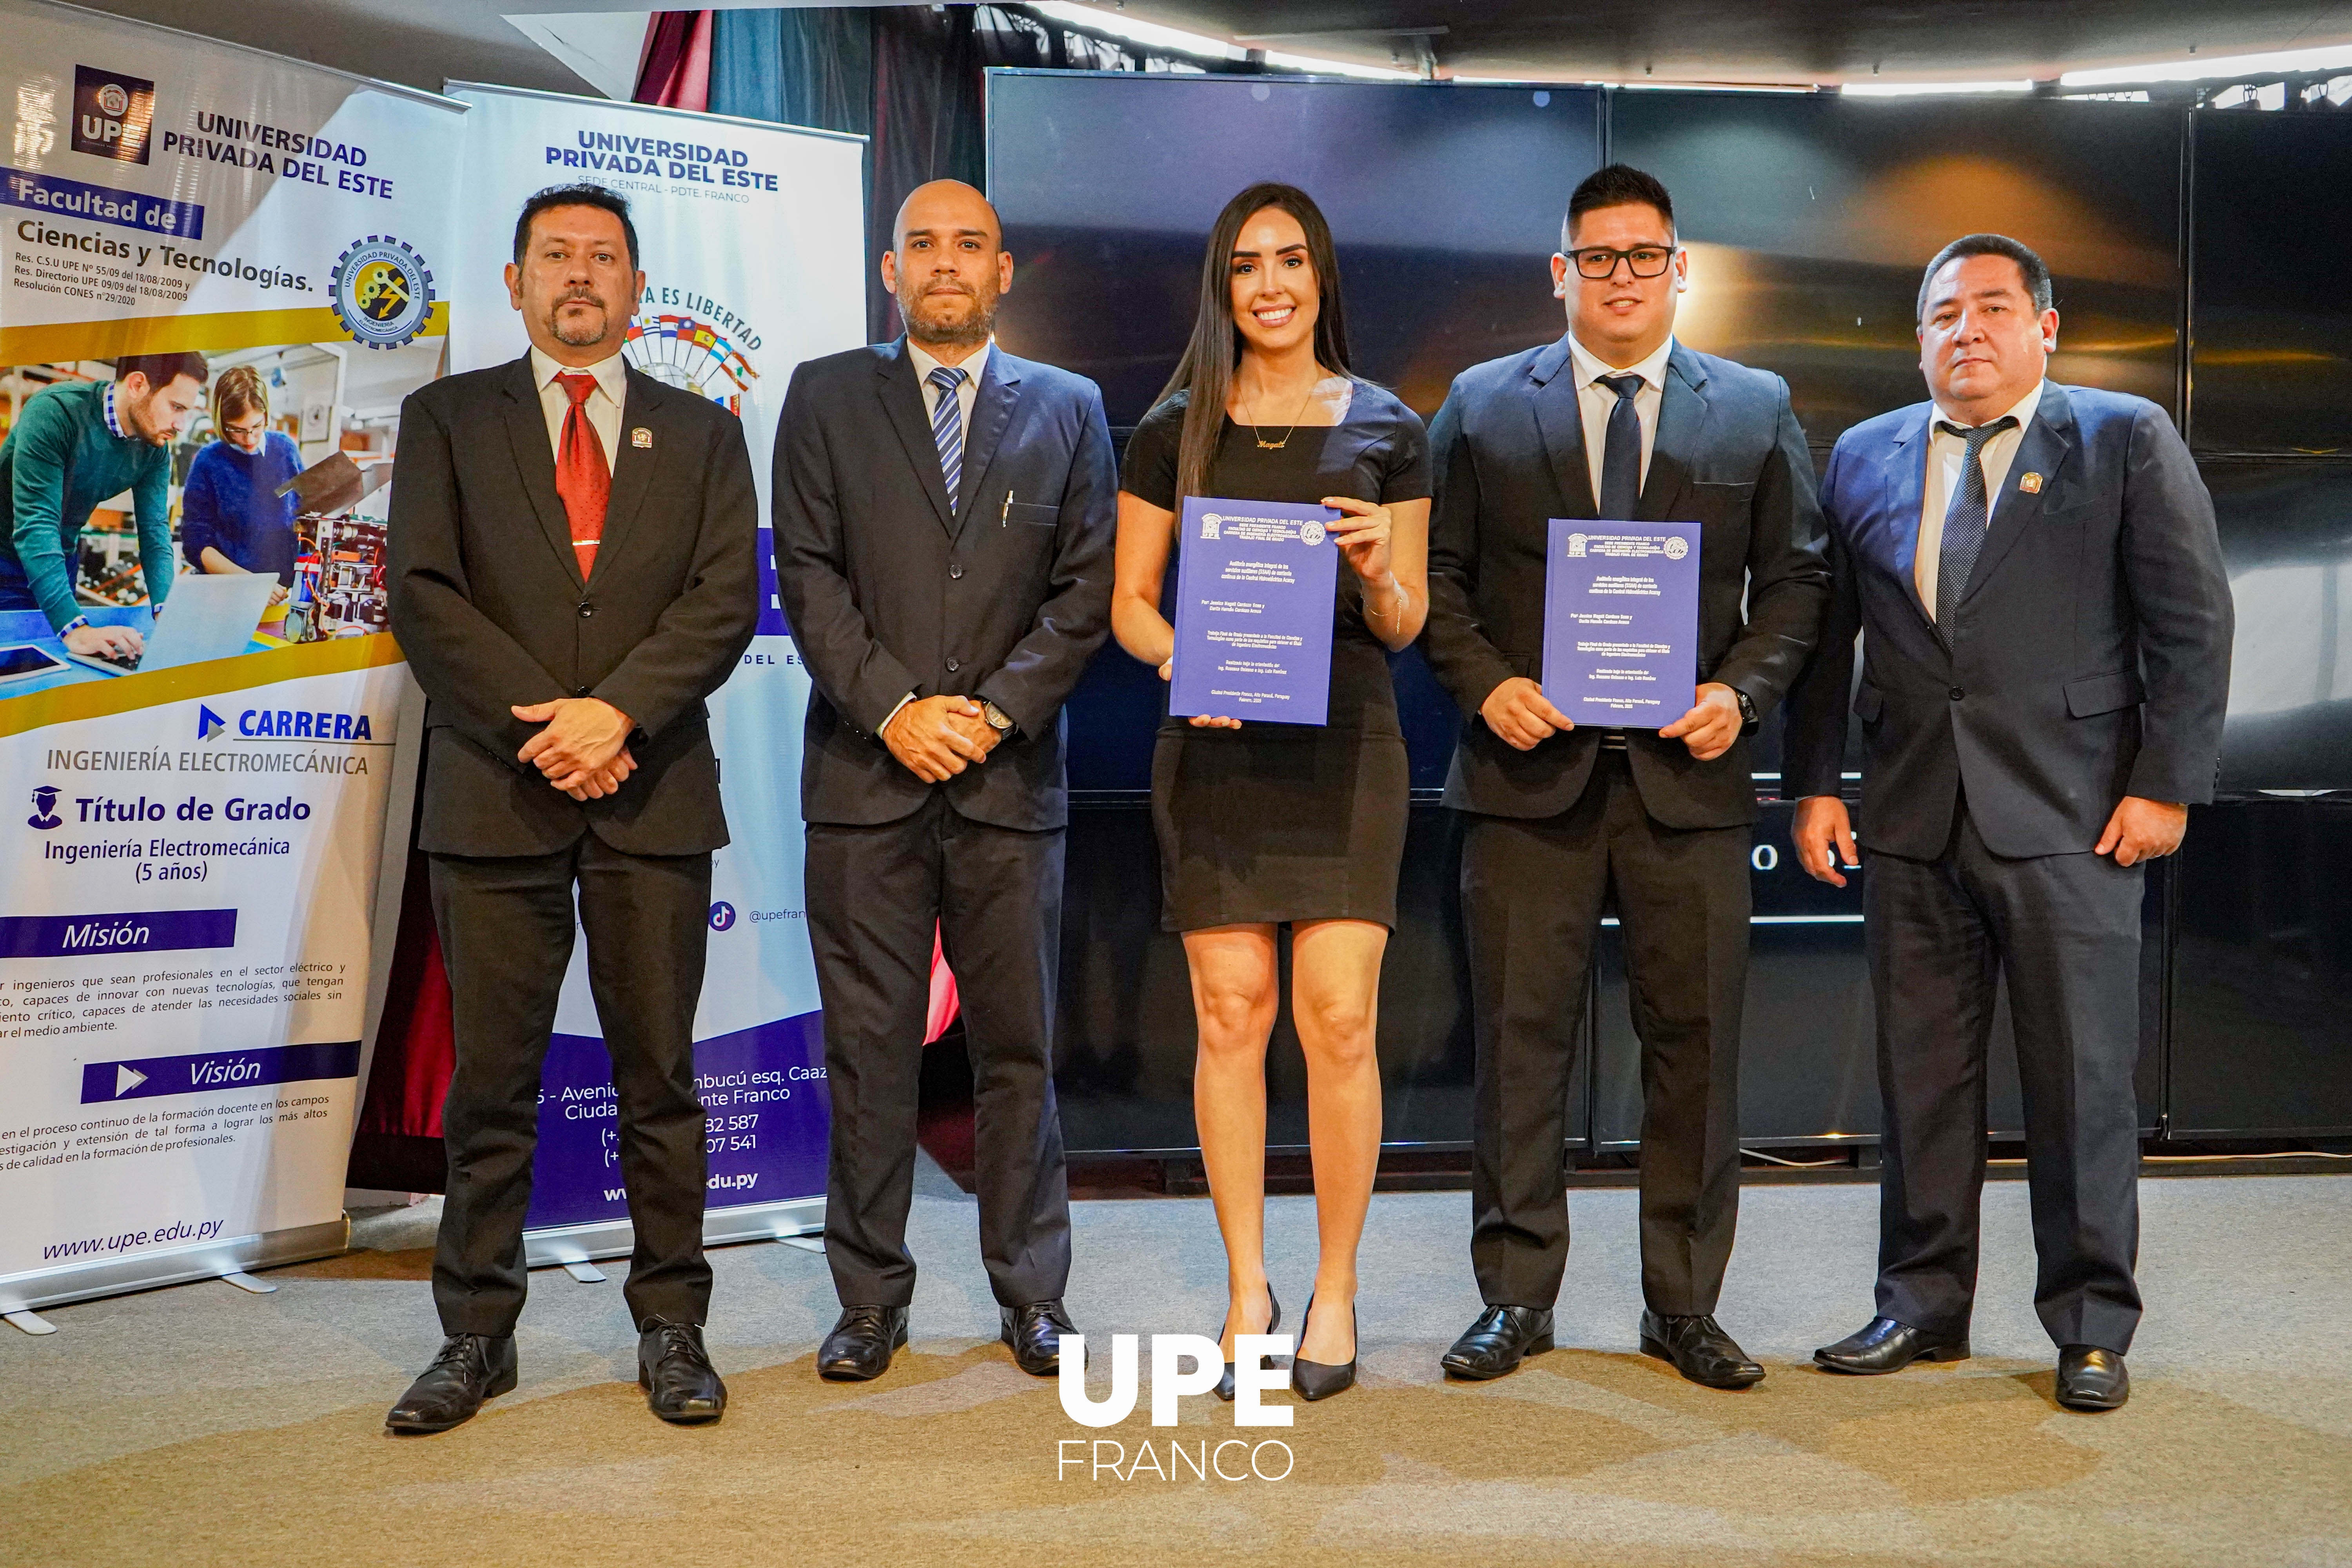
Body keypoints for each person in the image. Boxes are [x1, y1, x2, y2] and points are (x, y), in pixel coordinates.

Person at [1785, 234, 2233, 1412]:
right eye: (1941, 313)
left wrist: (2166, 781)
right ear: (1916, 334)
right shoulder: (1864, 453)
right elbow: (1827, 641)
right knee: (1920, 1077)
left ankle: (2088, 1323)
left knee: (2078, 1081)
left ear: (2044, 325)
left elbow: (2189, 619)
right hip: (1909, 813)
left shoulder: (2122, 436)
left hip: (2075, 812)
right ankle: (1919, 1304)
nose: (1964, 332)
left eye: (1990, 308)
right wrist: (1813, 784)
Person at [1421, 163, 1829, 1390]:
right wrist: (1485, 680)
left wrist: (1739, 694)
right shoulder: (1483, 404)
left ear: (1677, 268)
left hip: (1687, 785)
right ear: (1560, 273)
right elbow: (1432, 577)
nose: (1618, 278)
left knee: (1694, 1050)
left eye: (1640, 256)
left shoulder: (1751, 406)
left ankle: (1682, 1303)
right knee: (1516, 1044)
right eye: (1594, 258)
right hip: (1520, 775)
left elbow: (1801, 583)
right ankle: (1512, 1296)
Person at [383, 182, 759, 1433]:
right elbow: (425, 595)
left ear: (637, 291)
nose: (580, 276)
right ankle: (475, 1339)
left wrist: (617, 718)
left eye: (604, 258)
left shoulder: (703, 433)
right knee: (493, 1083)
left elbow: (716, 602)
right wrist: (551, 726)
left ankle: (673, 1325)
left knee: (659, 1080)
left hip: (652, 795)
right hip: (497, 792)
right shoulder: (445, 418)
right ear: (515, 282)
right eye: (556, 256)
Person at [773, 179, 1115, 1383]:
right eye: (923, 245)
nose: (945, 264)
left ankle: (1032, 1294)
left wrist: (994, 713)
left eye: (968, 245)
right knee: (868, 1056)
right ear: (890, 269)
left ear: (1002, 270)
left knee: (1016, 1052)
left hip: (1008, 785)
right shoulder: (823, 394)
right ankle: (869, 1300)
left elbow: (1085, 591)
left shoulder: (1069, 408)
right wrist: (899, 710)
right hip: (865, 779)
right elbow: (807, 576)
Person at [1111, 181, 1430, 1403]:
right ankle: (1247, 1282)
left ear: (1320, 276)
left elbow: (1404, 620)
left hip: (1348, 746)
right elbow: (1129, 604)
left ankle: (1335, 1287)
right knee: (1229, 1012)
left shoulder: (1392, 428)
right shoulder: (1172, 428)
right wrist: (1178, 656)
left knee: (1339, 1017)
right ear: (1222, 285)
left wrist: (1372, 568)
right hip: (1217, 744)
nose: (1269, 284)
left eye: (1289, 261)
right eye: (1246, 265)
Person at [0, 352, 206, 662]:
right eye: (176, 407)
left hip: (60, 561)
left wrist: (167, 611)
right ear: (137, 384)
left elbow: (155, 532)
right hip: (5, 558)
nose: (181, 424)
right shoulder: (56, 412)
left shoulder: (154, 450)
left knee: (61, 670)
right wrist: (76, 629)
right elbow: (37, 525)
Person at [181, 365, 302, 603]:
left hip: (285, 595)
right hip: (229, 597)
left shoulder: (285, 450)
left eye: (256, 427)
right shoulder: (209, 461)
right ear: (222, 421)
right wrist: (251, 585)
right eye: (237, 430)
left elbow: (305, 515)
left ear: (266, 414)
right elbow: (196, 544)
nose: (249, 439)